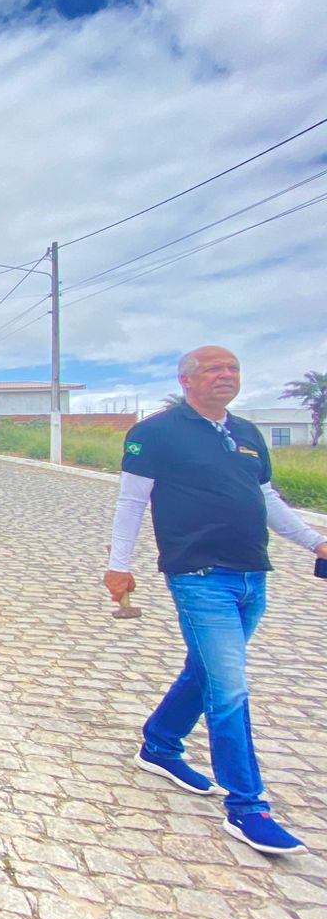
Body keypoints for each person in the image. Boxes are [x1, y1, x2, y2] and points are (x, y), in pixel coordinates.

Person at [104, 345, 327, 855]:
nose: (226, 376)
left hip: (252, 576)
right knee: (229, 688)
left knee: (205, 672)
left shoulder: (247, 434)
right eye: (214, 369)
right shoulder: (155, 433)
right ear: (187, 380)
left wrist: (316, 541)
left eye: (232, 368)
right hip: (198, 575)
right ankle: (248, 807)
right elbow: (132, 501)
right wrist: (119, 564)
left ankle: (159, 745)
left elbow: (267, 498)